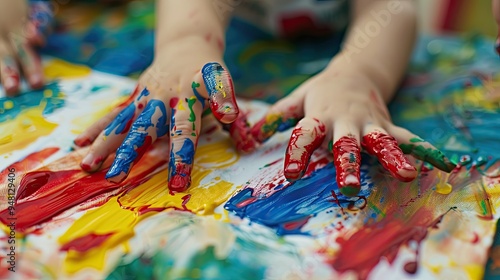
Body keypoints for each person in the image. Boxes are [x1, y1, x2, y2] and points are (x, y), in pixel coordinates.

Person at [0, 0, 457, 197]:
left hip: (343, 43)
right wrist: (184, 44)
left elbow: (390, 10)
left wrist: (361, 73)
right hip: (240, 38)